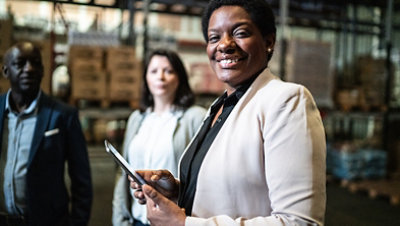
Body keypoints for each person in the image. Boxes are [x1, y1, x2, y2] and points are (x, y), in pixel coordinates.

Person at [130, 0, 327, 225]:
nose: (224, 45)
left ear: (268, 41)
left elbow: (299, 222)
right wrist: (177, 191)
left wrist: (184, 224)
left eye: (240, 33)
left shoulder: (287, 101)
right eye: (214, 37)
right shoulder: (219, 107)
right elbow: (232, 193)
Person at [0, 41, 93, 225]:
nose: (29, 69)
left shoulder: (63, 116)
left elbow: (81, 180)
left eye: (35, 63)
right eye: (20, 63)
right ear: (5, 71)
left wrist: (77, 222)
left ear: (43, 70)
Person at [112, 49, 207, 226]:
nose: (160, 77)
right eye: (154, 71)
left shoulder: (195, 117)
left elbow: (203, 175)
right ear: (146, 78)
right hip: (136, 220)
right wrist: (120, 218)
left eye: (168, 71)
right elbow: (122, 173)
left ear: (180, 78)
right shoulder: (137, 119)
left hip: (172, 220)